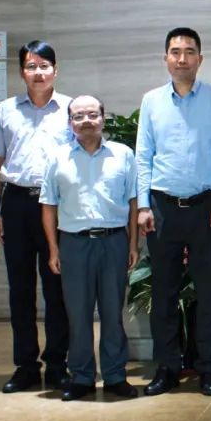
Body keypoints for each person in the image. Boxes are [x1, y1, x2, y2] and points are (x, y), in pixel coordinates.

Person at [136, 27, 211, 396]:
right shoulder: (152, 101)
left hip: (206, 207)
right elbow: (143, 156)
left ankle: (208, 368)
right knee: (163, 291)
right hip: (162, 208)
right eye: (176, 52)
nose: (182, 58)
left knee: (208, 292)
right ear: (166, 58)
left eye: (190, 51)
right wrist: (143, 205)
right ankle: (167, 368)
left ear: (200, 58)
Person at [0, 40, 71, 393]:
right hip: (16, 203)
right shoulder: (6, 110)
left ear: (55, 70)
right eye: (31, 66)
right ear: (22, 72)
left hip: (56, 206)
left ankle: (58, 364)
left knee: (56, 288)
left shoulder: (69, 109)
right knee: (20, 288)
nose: (38, 72)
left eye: (44, 65)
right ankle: (25, 366)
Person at [39, 95, 140, 401]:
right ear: (70, 122)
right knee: (78, 315)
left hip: (114, 242)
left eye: (92, 115)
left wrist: (133, 244)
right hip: (74, 244)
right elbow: (48, 205)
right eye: (78, 116)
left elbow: (134, 201)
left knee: (112, 313)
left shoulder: (123, 155)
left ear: (103, 118)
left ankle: (115, 375)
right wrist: (54, 250)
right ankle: (81, 376)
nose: (86, 121)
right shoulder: (58, 157)